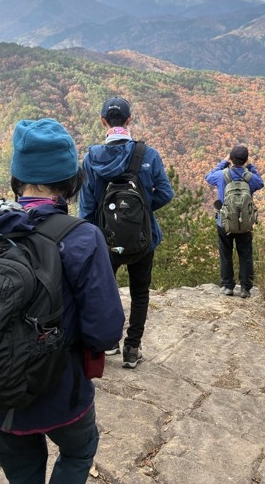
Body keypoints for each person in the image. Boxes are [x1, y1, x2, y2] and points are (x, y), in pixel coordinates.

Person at [0, 118, 125, 484]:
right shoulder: (82, 238)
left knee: (23, 473)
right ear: (70, 181)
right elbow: (106, 332)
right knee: (79, 451)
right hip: (62, 395)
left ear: (17, 176)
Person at [78, 97, 174, 369]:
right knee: (139, 292)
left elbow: (86, 206)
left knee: (106, 290)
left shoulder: (92, 158)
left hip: (104, 239)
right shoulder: (148, 155)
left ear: (103, 122)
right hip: (144, 239)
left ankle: (109, 343)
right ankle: (132, 349)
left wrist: (88, 237)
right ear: (129, 120)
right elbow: (167, 193)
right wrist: (141, 212)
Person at [204, 145, 264, 298]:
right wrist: (250, 166)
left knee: (225, 253)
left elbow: (208, 176)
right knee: (245, 255)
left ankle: (227, 286)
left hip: (224, 222)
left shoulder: (222, 175)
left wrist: (223, 162)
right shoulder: (250, 178)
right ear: (245, 160)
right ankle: (245, 288)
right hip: (245, 223)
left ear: (231, 159)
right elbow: (260, 183)